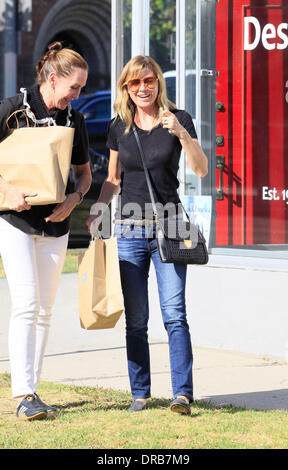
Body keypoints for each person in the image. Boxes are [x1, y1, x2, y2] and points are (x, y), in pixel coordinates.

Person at [87, 55, 208, 415]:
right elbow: (112, 179)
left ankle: (182, 395)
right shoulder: (118, 127)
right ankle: (140, 393)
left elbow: (200, 170)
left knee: (174, 314)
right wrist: (97, 215)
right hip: (128, 230)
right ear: (126, 87)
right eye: (134, 83)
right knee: (137, 319)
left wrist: (182, 133)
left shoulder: (179, 119)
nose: (143, 88)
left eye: (148, 81)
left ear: (158, 82)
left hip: (170, 226)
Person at [0, 42, 92, 420]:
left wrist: (75, 199)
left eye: (82, 89)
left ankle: (32, 389)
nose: (77, 95)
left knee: (45, 310)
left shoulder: (75, 120)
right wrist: (7, 192)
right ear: (52, 80)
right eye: (74, 88)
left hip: (57, 226)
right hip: (15, 221)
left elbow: (85, 175)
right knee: (25, 303)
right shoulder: (11, 112)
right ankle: (23, 394)